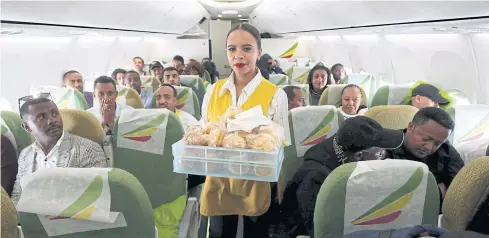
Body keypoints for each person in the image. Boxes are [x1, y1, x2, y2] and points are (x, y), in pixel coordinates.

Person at [201, 23, 290, 238]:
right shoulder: (213, 90)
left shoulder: (276, 95)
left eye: (247, 49)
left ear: (258, 52)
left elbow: (279, 144)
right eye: (232, 49)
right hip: (219, 179)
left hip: (257, 183)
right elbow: (204, 131)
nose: (238, 56)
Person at [275, 116, 401, 237]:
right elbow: (323, 231)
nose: (384, 157)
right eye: (381, 153)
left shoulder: (341, 144)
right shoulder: (315, 178)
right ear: (359, 156)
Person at [12, 98, 107, 203]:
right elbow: (17, 196)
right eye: (42, 117)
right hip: (30, 217)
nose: (52, 120)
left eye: (54, 114)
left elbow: (96, 200)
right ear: (27, 127)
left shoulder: (88, 149)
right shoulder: (26, 154)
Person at [386, 107, 464, 202]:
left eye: (437, 144)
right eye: (426, 139)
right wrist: (438, 191)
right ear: (410, 127)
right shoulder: (384, 147)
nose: (429, 147)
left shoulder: (446, 150)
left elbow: (460, 187)